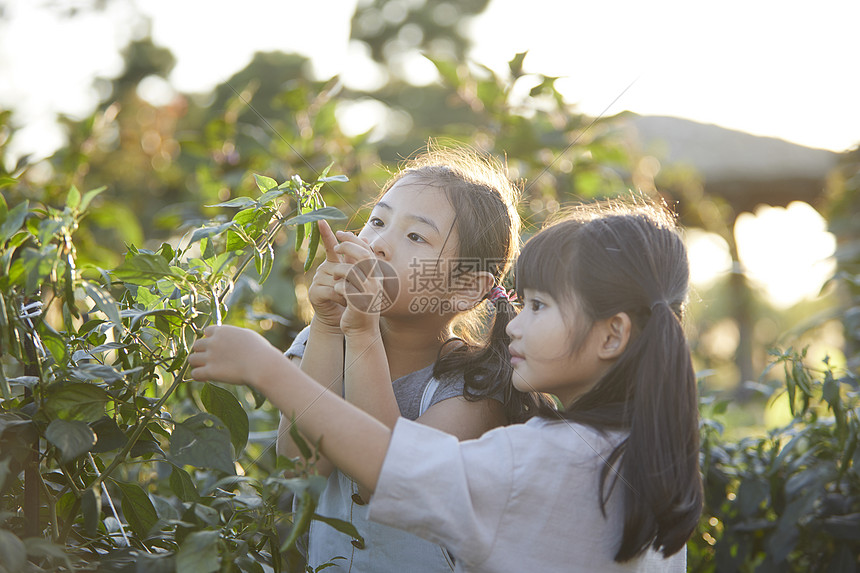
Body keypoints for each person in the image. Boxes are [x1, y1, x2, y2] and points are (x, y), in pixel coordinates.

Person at [190, 200, 703, 572]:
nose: (517, 324)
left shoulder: (546, 457)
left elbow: (389, 470)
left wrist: (265, 366)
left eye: (541, 307)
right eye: (378, 219)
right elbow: (302, 459)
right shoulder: (632, 449)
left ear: (613, 333)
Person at [274, 147, 541, 571]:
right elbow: (298, 467)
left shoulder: (474, 390)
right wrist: (327, 325)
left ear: (466, 289)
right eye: (377, 221)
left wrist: (360, 331)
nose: (377, 245)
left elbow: (383, 476)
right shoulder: (323, 341)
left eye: (415, 236)